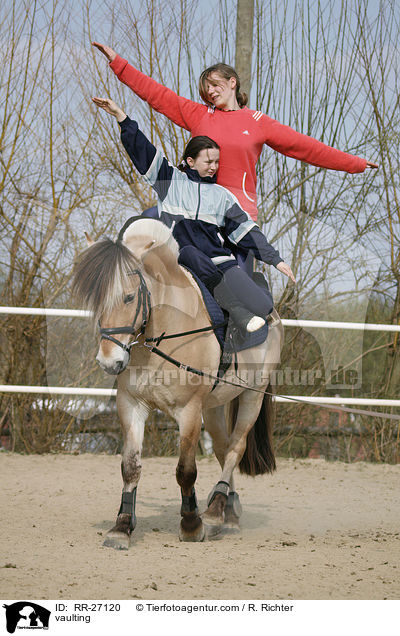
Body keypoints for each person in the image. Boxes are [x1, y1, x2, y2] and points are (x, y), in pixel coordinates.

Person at [92, 42, 378, 224]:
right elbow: (156, 94)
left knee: (242, 291)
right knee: (143, 223)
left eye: (215, 85)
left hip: (235, 213)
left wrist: (355, 163)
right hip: (194, 205)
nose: (210, 92)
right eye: (206, 89)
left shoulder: (257, 122)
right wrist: (119, 64)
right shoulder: (199, 115)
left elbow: (307, 148)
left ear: (232, 83)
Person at [92, 96, 296, 335]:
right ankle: (237, 312)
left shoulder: (221, 196)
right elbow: (143, 151)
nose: (214, 167)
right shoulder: (170, 182)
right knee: (188, 251)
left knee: (264, 306)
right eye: (208, 161)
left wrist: (275, 259)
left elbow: (246, 231)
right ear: (190, 161)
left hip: (219, 262)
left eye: (217, 162)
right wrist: (121, 118)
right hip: (181, 259)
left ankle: (246, 303)